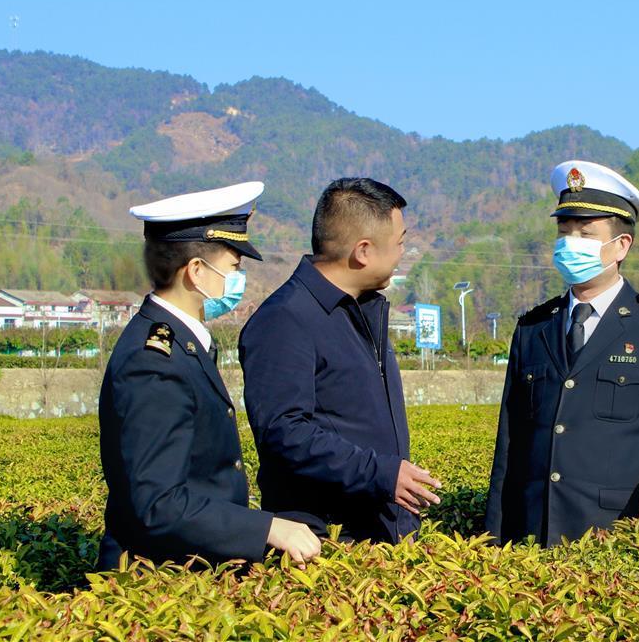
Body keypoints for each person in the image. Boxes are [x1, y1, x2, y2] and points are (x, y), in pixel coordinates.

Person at [484, 161, 639, 547]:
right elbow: (509, 443)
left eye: (586, 234)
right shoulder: (533, 328)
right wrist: (492, 539)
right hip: (531, 541)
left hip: (612, 537)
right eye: (564, 232)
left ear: (621, 245)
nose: (570, 243)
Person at [97, 181, 321, 570]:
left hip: (190, 567)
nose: (238, 278)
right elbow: (158, 503)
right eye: (234, 267)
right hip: (157, 581)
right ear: (197, 272)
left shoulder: (182, 342)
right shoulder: (153, 361)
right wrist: (266, 528)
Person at [240, 177, 439, 544]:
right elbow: (284, 431)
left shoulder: (361, 311)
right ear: (363, 251)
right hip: (327, 542)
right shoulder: (285, 319)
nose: (402, 253)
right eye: (400, 243)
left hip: (381, 535)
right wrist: (380, 473)